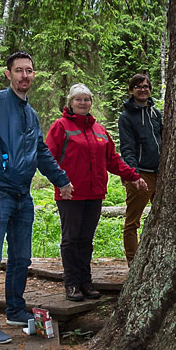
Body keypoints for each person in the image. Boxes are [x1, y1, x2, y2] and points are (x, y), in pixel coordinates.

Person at [0, 51, 73, 344]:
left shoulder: (31, 114)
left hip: (24, 196)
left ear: (34, 75)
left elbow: (42, 153)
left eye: (29, 71)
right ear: (8, 74)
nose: (25, 75)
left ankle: (15, 309)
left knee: (21, 258)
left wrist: (62, 180)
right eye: (19, 70)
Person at [47, 84, 147, 301]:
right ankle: (72, 283)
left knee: (86, 239)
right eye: (78, 100)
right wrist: (60, 182)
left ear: (91, 103)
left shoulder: (100, 130)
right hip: (70, 194)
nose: (83, 103)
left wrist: (133, 176)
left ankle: (86, 281)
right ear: (70, 103)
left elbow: (113, 160)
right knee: (71, 239)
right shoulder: (60, 127)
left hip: (95, 194)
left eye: (87, 99)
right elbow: (48, 158)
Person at [117, 72, 162, 262]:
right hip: (141, 174)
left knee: (162, 219)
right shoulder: (126, 117)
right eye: (138, 86)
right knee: (132, 221)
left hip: (160, 175)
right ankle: (132, 262)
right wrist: (133, 175)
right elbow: (127, 148)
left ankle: (155, 260)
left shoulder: (155, 113)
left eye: (146, 86)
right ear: (131, 90)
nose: (143, 90)